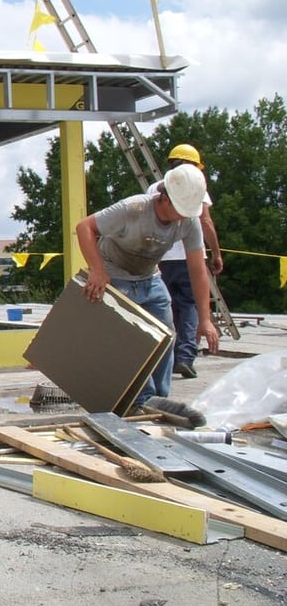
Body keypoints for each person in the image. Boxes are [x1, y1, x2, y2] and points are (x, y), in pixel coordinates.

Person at [76, 164, 220, 409]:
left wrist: (205, 320)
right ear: (165, 198)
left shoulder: (189, 221)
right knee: (132, 340)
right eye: (181, 209)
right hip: (115, 276)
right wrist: (97, 270)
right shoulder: (133, 208)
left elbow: (197, 270)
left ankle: (159, 399)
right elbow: (84, 227)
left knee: (165, 336)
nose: (184, 216)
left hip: (149, 278)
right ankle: (140, 400)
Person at [147, 144, 223, 379]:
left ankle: (164, 359)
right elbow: (205, 221)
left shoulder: (154, 188)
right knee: (189, 305)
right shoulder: (196, 185)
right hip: (189, 257)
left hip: (160, 258)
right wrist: (216, 253)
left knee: (163, 308)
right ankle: (185, 357)